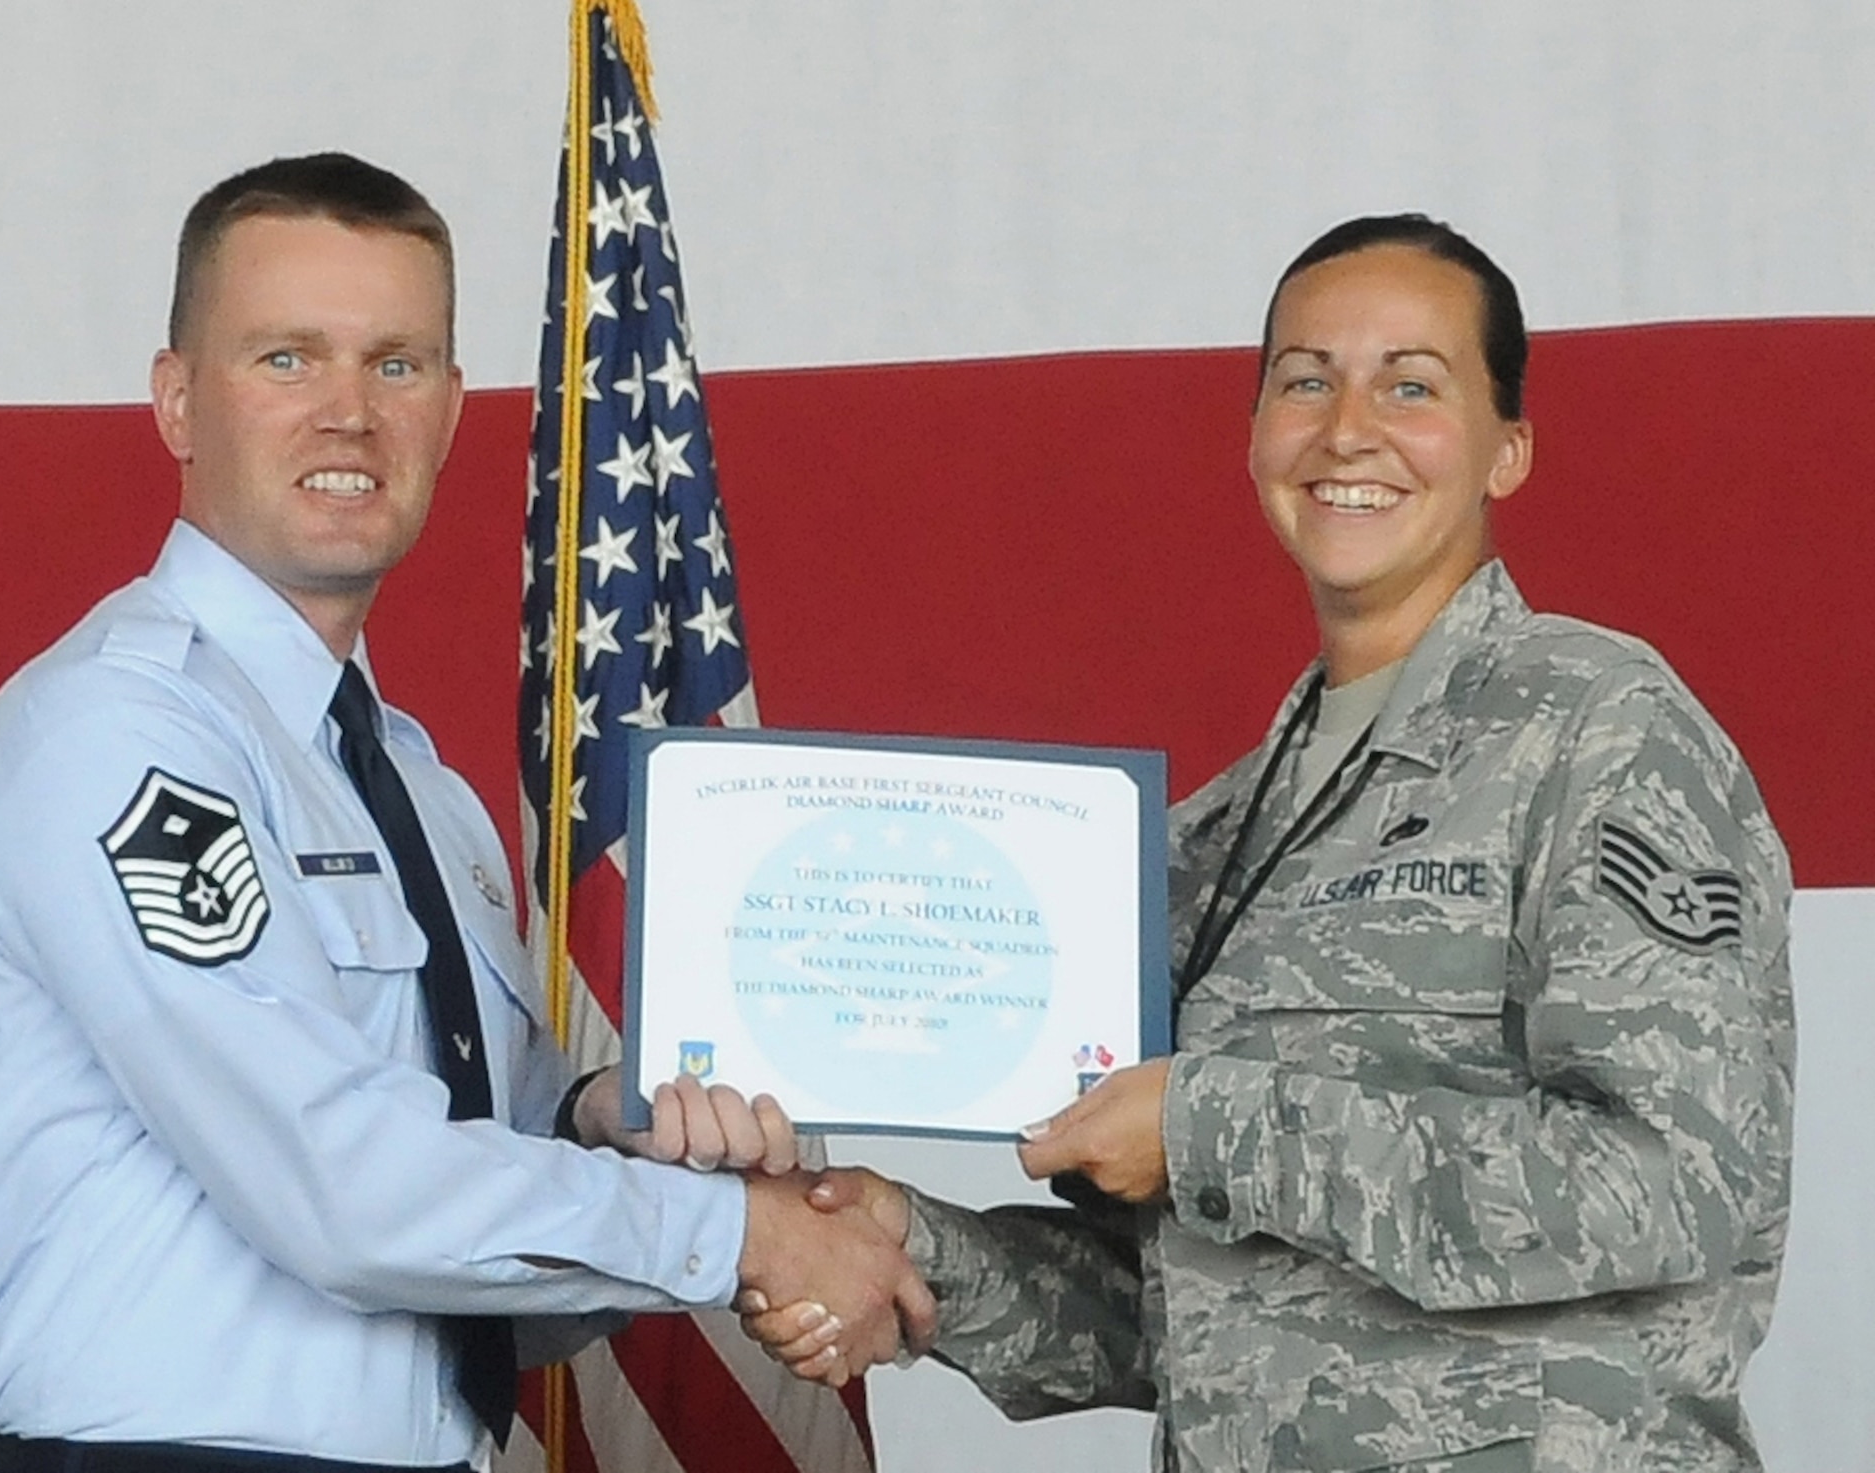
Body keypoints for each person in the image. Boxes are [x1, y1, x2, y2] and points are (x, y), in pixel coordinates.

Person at [744, 215, 1795, 1473]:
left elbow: (1670, 1189)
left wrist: (1203, 1126)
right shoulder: (1215, 839)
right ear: (1253, 437)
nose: (1346, 430)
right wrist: (907, 1249)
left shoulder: (1602, 731)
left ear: (1505, 450)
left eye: (1410, 386)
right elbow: (1199, 1308)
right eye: (1305, 381)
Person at [0, 152, 930, 1473]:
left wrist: (610, 1121)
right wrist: (747, 1237)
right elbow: (341, 1189)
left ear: (452, 409)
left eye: (395, 364)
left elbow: (479, 1225)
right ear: (177, 401)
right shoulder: (120, 736)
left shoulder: (417, 788)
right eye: (286, 359)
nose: (348, 414)